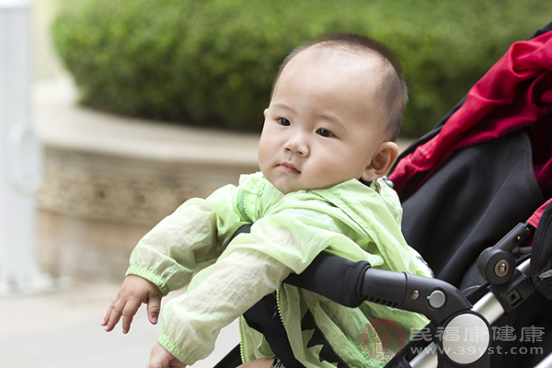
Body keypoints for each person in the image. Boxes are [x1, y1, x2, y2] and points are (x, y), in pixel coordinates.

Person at [101, 33, 432, 368]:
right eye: (283, 121)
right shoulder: (268, 192)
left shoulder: (335, 209)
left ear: (375, 162)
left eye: (324, 132)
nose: (295, 143)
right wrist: (151, 267)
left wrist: (184, 332)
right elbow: (211, 215)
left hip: (365, 356)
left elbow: (255, 260)